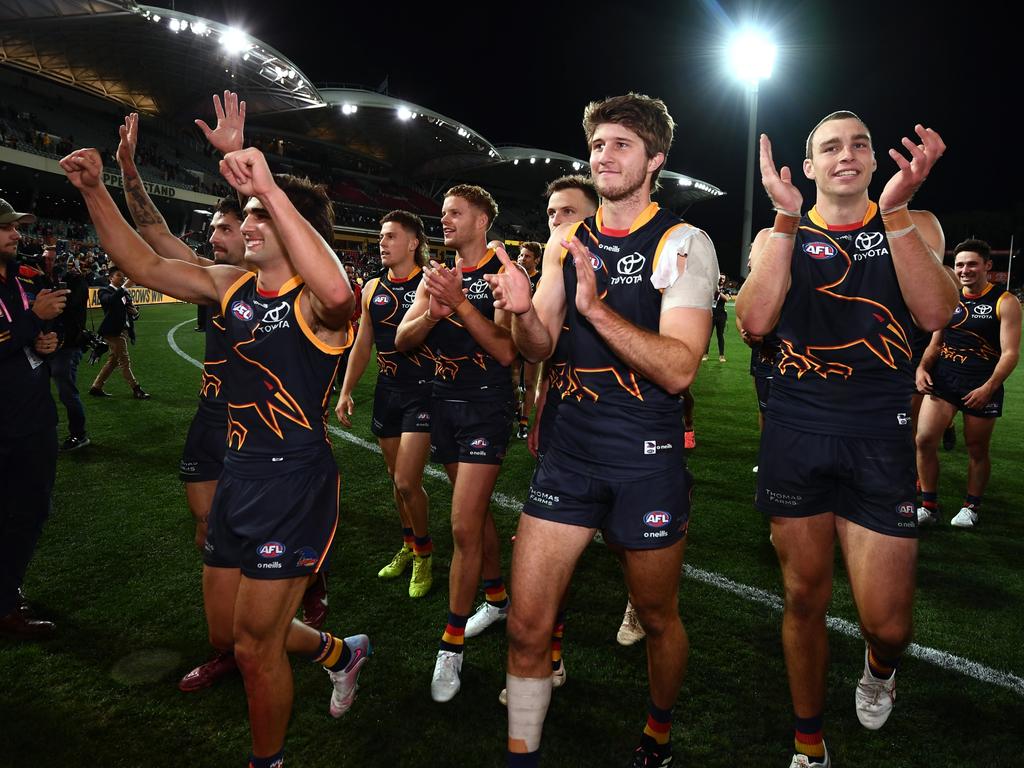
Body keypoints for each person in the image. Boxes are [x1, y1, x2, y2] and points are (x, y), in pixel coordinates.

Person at [61, 145, 367, 768]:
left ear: (292, 227)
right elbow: (143, 262)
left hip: (293, 487)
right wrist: (95, 189)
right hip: (236, 477)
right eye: (245, 213)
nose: (246, 223)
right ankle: (341, 651)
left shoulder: (318, 305)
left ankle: (268, 760)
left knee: (256, 650)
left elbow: (338, 292)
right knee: (231, 634)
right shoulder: (231, 286)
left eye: (259, 215)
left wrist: (273, 190)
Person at [489, 93, 717, 767]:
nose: (604, 155)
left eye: (621, 144)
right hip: (569, 457)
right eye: (597, 145)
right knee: (528, 627)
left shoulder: (683, 243)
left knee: (655, 618)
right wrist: (519, 311)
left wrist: (594, 307)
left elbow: (678, 370)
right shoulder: (569, 243)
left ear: (655, 161)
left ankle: (657, 732)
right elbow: (535, 346)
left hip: (646, 464)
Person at [735, 111, 957, 767]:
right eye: (830, 147)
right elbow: (752, 323)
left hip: (878, 438)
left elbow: (937, 314)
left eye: (859, 143)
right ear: (808, 168)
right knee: (804, 597)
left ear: (873, 159)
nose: (847, 154)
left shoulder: (913, 222)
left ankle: (879, 669)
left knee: (888, 625)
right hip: (796, 433)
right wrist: (782, 219)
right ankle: (809, 744)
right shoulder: (782, 231)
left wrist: (893, 211)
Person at [395, 184, 517, 703]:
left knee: (463, 522)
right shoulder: (437, 276)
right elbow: (402, 339)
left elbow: (508, 351)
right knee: (477, 515)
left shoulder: (506, 274)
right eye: (442, 213)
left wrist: (461, 306)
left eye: (455, 213)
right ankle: (497, 597)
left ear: (483, 218)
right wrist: (433, 312)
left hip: (487, 405)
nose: (444, 220)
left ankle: (450, 647)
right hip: (442, 402)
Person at [336, 210, 435, 598]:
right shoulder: (372, 287)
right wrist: (346, 390)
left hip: (424, 392)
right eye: (381, 236)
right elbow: (362, 343)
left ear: (413, 243)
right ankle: (409, 545)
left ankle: (425, 554)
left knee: (407, 481)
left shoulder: (428, 282)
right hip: (388, 391)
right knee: (396, 483)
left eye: (391, 236)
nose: (382, 242)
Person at [915, 239, 1021, 528]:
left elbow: (1010, 353)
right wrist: (923, 369)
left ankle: (970, 508)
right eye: (960, 264)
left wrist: (988, 388)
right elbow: (936, 343)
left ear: (987, 265)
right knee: (924, 440)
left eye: (972, 263)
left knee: (976, 449)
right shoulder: (949, 297)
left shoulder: (1005, 301)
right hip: (945, 381)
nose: (965, 270)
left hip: (981, 385)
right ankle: (929, 506)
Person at [0, 197, 69, 639]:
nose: (16, 234)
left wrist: (49, 340)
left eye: (17, 227)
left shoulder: (19, 277)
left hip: (35, 418)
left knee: (30, 510)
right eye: (7, 227)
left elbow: (31, 331)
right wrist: (32, 322)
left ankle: (7, 594)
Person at [88, 266, 149, 400]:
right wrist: (124, 287)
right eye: (119, 275)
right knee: (124, 361)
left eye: (123, 276)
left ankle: (96, 387)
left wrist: (135, 313)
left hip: (124, 331)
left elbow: (130, 311)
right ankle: (136, 389)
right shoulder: (104, 291)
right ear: (110, 277)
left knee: (113, 361)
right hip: (112, 332)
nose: (122, 278)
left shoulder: (124, 293)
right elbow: (109, 301)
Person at [512, 241, 543, 439]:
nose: (522, 259)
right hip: (513, 334)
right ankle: (515, 412)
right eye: (521, 255)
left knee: (530, 382)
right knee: (512, 380)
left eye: (527, 256)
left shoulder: (542, 279)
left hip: (533, 335)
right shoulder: (513, 275)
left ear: (537, 260)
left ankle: (523, 423)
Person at [703, 274, 728, 362]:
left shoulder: (725, 289)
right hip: (712, 314)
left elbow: (726, 299)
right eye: (721, 278)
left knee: (720, 335)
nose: (722, 279)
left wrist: (718, 292)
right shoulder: (712, 288)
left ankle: (721, 355)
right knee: (708, 335)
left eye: (724, 278)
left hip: (721, 315)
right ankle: (705, 354)